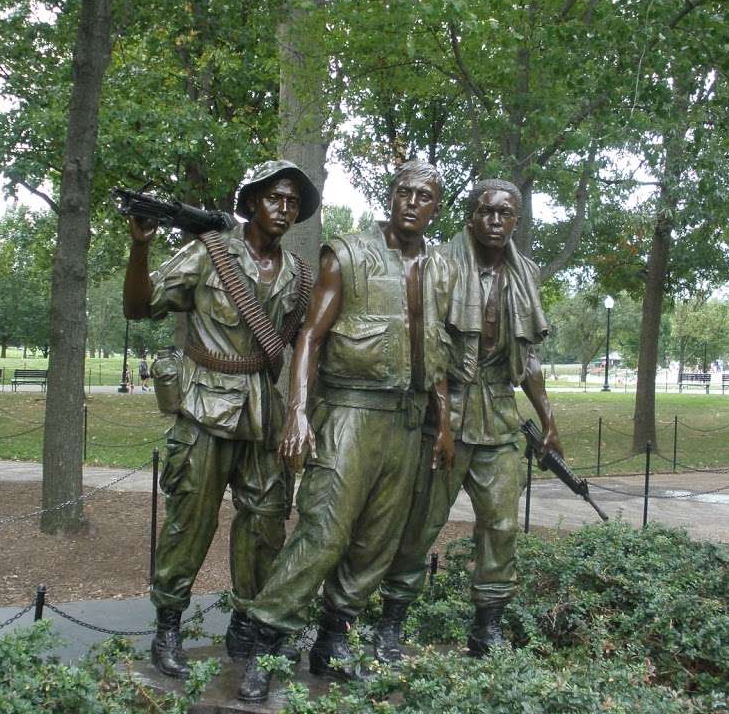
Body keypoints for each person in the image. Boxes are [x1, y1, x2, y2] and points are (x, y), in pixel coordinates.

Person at [237, 160, 457, 703]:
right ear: (390, 197)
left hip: (407, 420)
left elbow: (440, 351)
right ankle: (266, 640)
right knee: (324, 531)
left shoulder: (442, 269)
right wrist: (297, 412)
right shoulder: (348, 254)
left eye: (424, 195)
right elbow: (309, 335)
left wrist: (444, 421)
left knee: (375, 541)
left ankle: (334, 642)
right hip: (351, 411)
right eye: (403, 192)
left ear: (435, 207)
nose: (411, 202)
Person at [123, 160, 320, 679]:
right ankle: (168, 627)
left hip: (262, 414)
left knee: (265, 523)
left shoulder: (299, 274)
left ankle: (247, 623)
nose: (284, 209)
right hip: (203, 409)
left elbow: (303, 342)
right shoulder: (210, 252)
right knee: (190, 521)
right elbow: (140, 307)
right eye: (275, 198)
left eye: (293, 202)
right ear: (252, 201)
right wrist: (141, 246)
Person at [377, 178, 563, 661]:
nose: (496, 222)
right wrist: (440, 422)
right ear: (471, 217)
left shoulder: (526, 274)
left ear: (516, 222)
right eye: (487, 213)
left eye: (506, 215)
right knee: (422, 522)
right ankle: (390, 623)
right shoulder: (439, 264)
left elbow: (529, 360)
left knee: (501, 525)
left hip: (499, 416)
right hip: (447, 412)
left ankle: (487, 628)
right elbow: (428, 345)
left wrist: (548, 420)